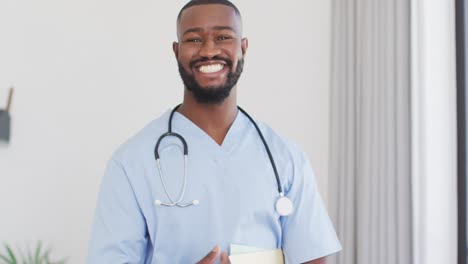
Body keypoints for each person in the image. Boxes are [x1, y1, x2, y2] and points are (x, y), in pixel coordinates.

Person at [87, 0, 341, 263]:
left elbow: (312, 256)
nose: (209, 50)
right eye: (194, 39)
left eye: (223, 36)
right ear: (176, 51)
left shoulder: (286, 158)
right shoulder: (131, 162)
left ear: (243, 47)